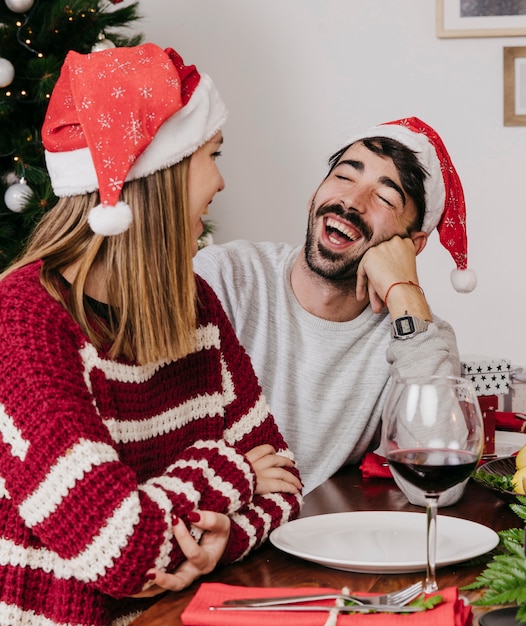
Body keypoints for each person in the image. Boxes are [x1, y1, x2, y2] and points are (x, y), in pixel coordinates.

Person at [0, 43, 302, 626]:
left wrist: (222, 541)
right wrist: (232, 471)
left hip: (177, 614)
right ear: (155, 177)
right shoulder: (25, 321)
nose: (219, 182)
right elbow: (123, 548)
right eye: (210, 155)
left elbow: (284, 481)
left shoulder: (192, 305)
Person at [194, 116, 477, 495]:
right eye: (344, 177)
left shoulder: (418, 334)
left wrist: (405, 294)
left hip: (317, 541)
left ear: (413, 244)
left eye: (386, 196)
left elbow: (440, 489)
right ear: (315, 195)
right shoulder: (224, 277)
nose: (351, 201)